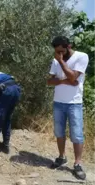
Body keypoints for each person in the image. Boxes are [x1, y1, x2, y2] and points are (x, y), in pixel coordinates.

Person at [47, 36, 89, 180]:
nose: (59, 54)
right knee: (59, 132)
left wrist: (61, 62)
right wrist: (64, 80)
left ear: (68, 46)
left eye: (61, 51)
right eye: (57, 52)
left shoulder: (82, 57)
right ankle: (61, 157)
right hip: (58, 102)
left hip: (74, 103)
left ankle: (77, 164)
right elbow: (49, 81)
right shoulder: (56, 60)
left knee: (76, 134)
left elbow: (74, 77)